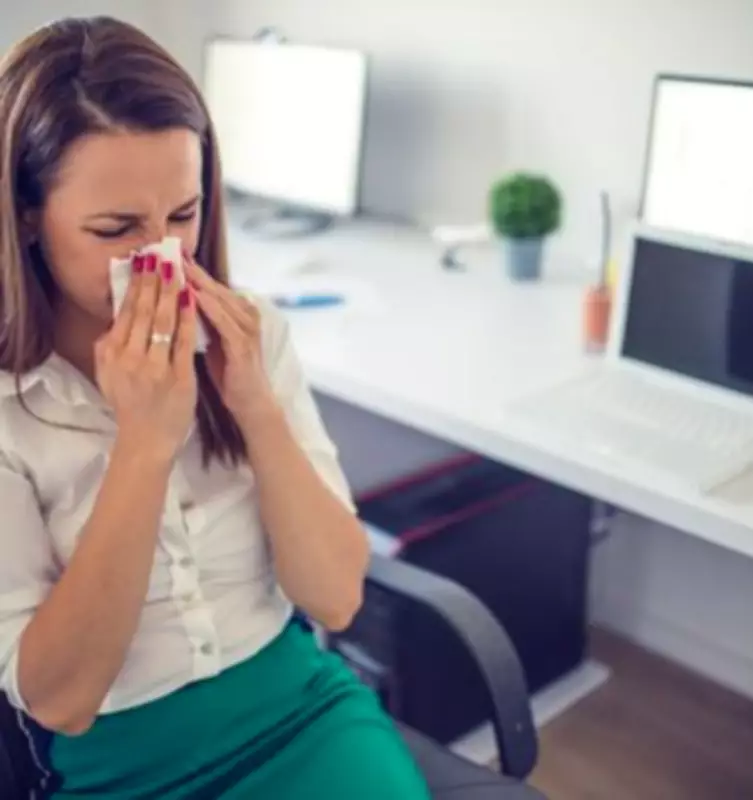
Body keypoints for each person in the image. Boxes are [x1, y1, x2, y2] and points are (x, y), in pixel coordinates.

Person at [0, 16, 431, 800]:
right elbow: (61, 699)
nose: (163, 256)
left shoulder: (250, 335)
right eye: (116, 228)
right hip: (118, 762)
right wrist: (144, 444)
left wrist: (255, 406)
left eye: (184, 215)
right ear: (27, 215)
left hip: (297, 709)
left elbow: (335, 597)